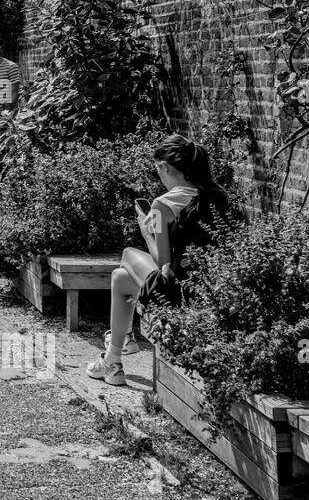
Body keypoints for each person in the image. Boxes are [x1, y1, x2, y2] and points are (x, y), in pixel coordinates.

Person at [86, 135, 229, 386]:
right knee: (120, 278)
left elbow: (162, 262)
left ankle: (123, 342)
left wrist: (146, 232)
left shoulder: (162, 204)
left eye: (157, 170)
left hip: (176, 291)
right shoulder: (216, 195)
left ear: (165, 167)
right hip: (208, 288)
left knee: (129, 254)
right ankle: (113, 360)